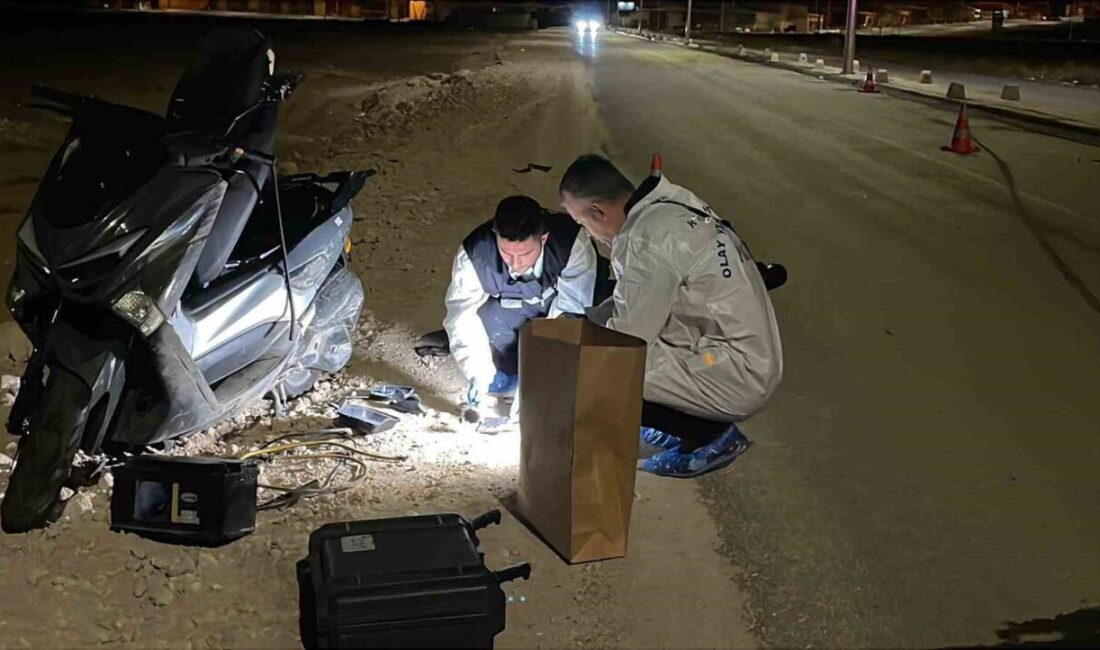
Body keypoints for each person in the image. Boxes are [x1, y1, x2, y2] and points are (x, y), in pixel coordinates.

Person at [559, 155, 783, 478]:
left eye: (582, 223)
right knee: (605, 338)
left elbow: (625, 341)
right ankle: (683, 426)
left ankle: (713, 438)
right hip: (747, 353)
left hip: (733, 370)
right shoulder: (668, 206)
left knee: (606, 367)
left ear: (598, 212)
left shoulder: (644, 241)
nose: (588, 232)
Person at [444, 195, 600, 423]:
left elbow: (571, 313)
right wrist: (477, 373)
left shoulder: (571, 242)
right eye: (506, 253)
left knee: (583, 357)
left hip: (558, 309)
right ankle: (508, 371)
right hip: (508, 315)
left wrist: (539, 380)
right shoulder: (474, 252)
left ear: (544, 239)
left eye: (525, 254)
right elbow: (461, 315)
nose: (515, 263)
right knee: (497, 374)